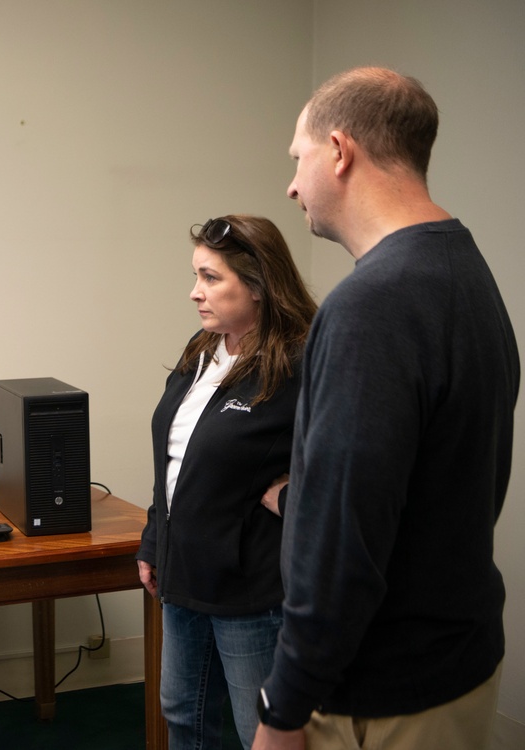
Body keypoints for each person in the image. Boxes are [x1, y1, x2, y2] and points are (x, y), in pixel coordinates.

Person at [252, 68, 519, 750]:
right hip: (456, 663)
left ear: (339, 152)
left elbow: (345, 541)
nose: (291, 185)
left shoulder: (371, 305)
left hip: (381, 693)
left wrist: (283, 709)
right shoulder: (464, 266)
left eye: (297, 158)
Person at [137, 214, 316, 749]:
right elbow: (172, 459)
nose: (196, 293)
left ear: (259, 286)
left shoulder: (300, 363)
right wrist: (153, 539)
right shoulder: (203, 347)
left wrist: (286, 496)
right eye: (197, 276)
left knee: (256, 726)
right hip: (182, 575)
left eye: (212, 278)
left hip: (251, 590)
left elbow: (348, 468)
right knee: (182, 714)